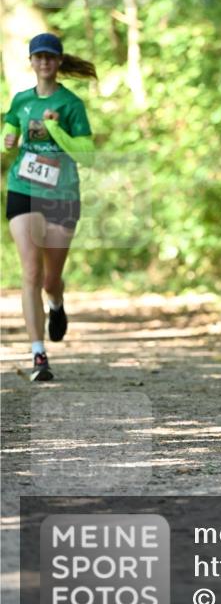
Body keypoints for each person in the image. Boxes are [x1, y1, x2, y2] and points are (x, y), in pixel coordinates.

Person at [1, 33, 96, 382]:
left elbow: (88, 155)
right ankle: (38, 354)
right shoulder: (21, 100)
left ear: (58, 62)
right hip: (23, 188)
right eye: (38, 57)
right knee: (30, 271)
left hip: (61, 194)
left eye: (50, 57)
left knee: (51, 279)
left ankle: (56, 304)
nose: (44, 63)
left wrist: (56, 129)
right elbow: (9, 130)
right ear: (31, 62)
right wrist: (7, 138)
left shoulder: (71, 104)